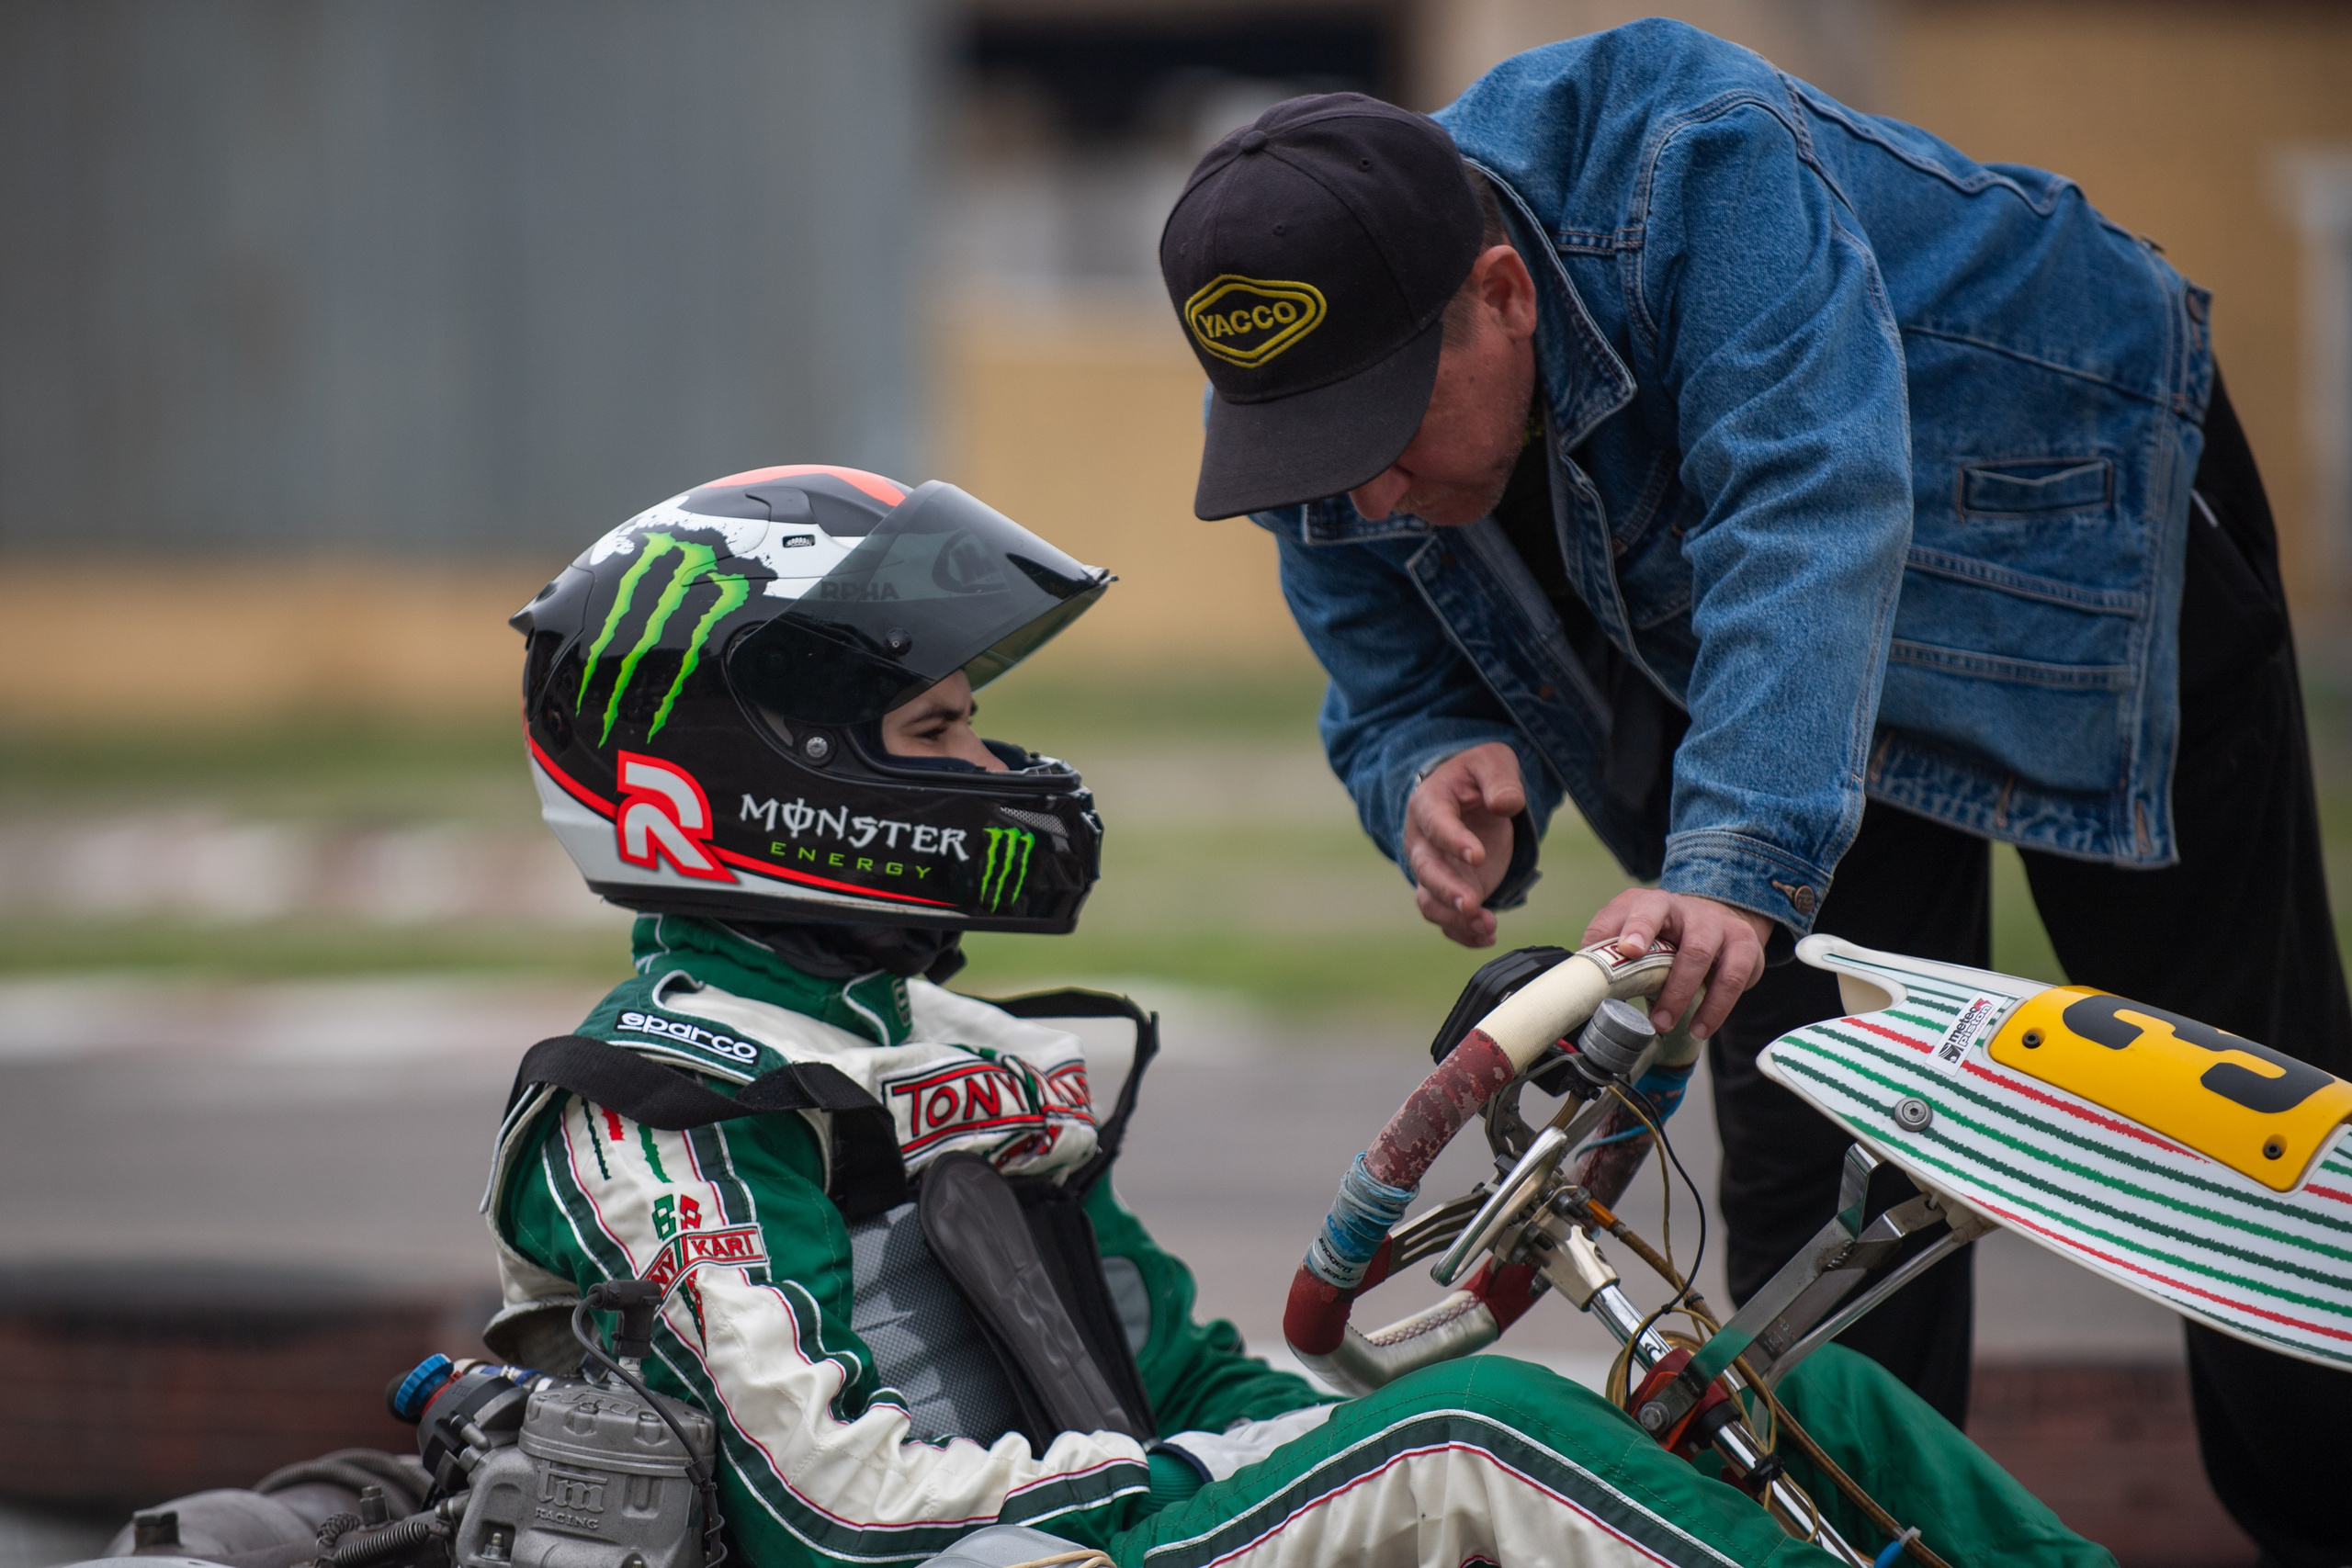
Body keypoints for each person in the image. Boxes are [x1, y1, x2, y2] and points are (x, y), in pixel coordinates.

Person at [1153, 23, 2350, 1564]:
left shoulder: (1698, 159)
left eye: (1375, 440)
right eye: (1307, 451)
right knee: (1810, 1116)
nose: (1360, 491)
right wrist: (1419, 753)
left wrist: (1732, 856)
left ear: (1502, 299)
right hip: (1772, 639)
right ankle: (1856, 1541)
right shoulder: (1313, 327)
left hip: (2063, 514)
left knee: (2223, 1102)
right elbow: (1366, 613)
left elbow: (1803, 506)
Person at [486, 464, 2100, 1568]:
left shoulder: (966, 1052)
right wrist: (1257, 1470)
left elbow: (1178, 1380)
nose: (992, 774)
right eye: (940, 728)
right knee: (1481, 1440)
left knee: (1751, 1393)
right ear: (773, 783)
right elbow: (831, 1513)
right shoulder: (656, 1102)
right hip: (991, 1549)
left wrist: (1293, 1442)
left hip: (1109, 1510)